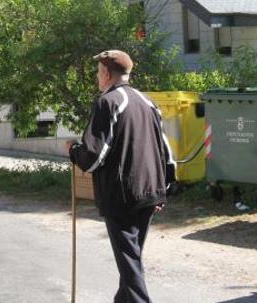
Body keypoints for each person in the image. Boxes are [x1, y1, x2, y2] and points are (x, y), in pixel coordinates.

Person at [66, 49, 176, 303]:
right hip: (150, 193)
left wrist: (73, 151)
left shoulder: (108, 102)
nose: (97, 77)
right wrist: (163, 189)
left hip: (121, 196)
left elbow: (93, 157)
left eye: (97, 72)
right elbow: (165, 151)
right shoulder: (148, 102)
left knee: (129, 262)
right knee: (131, 259)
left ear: (106, 73)